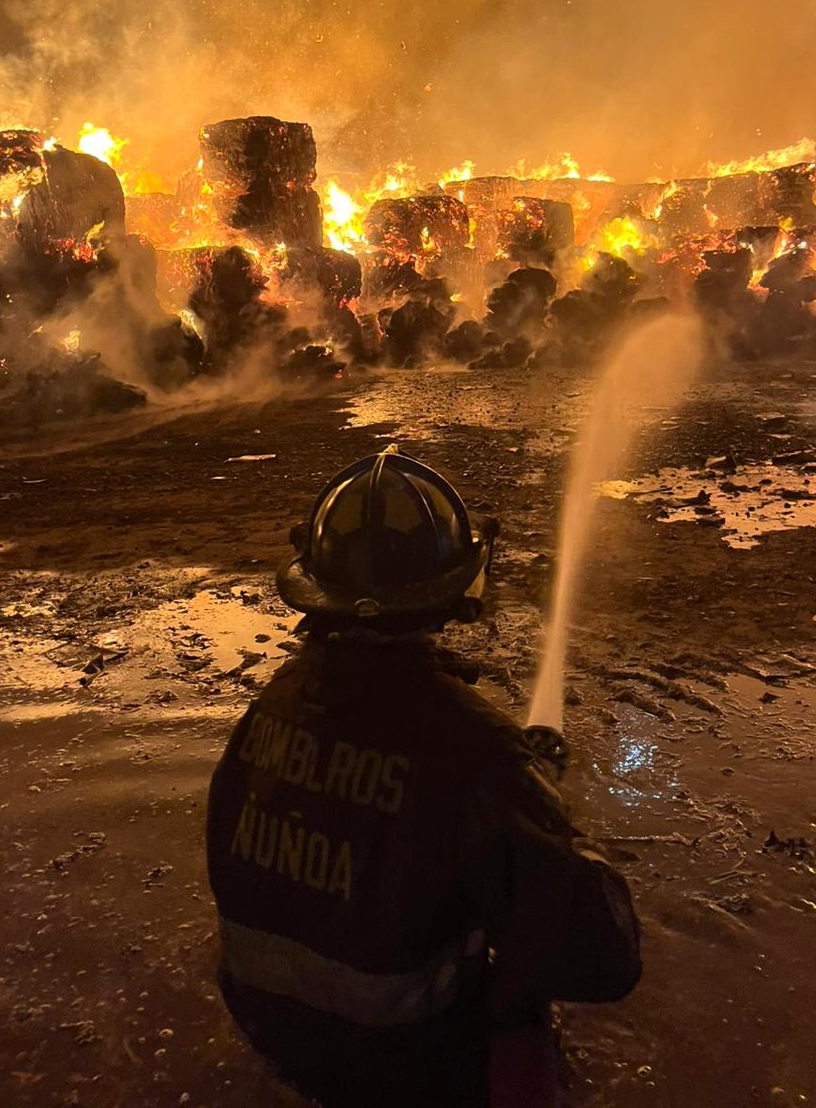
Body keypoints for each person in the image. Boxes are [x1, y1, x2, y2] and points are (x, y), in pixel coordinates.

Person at [206, 445, 641, 1107]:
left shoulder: (270, 707)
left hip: (271, 1032)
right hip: (400, 1062)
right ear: (456, 585)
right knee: (523, 1003)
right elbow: (603, 959)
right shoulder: (477, 749)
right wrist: (555, 823)